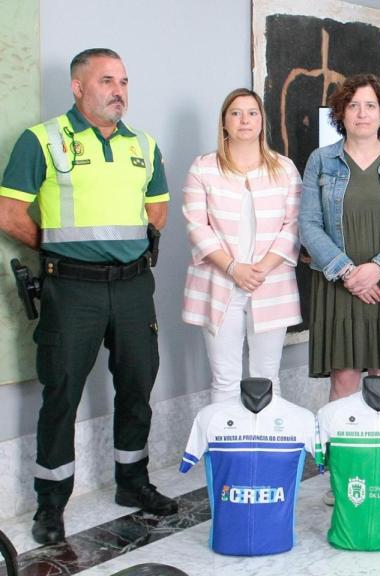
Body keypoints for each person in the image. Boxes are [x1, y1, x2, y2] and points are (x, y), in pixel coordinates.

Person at [0, 48, 178, 545]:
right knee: (61, 394)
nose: (118, 90)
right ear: (78, 87)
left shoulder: (143, 144)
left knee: (138, 385)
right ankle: (51, 504)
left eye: (123, 80)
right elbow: (10, 212)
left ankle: (133, 483)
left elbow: (157, 211)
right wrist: (62, 246)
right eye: (106, 81)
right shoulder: (43, 140)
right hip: (70, 287)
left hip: (132, 287)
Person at [299, 74, 380, 400]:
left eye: (371, 105)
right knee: (344, 378)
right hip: (338, 283)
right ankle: (340, 452)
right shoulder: (321, 161)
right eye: (354, 106)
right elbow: (309, 224)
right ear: (341, 113)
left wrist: (377, 269)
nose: (362, 113)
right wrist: (349, 273)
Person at [181, 88, 302, 404]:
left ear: (262, 121)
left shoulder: (284, 168)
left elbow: (293, 225)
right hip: (220, 282)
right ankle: (224, 453)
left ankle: (267, 452)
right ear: (224, 123)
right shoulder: (204, 168)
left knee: (267, 377)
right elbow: (197, 226)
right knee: (225, 380)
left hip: (270, 282)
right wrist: (234, 268)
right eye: (235, 113)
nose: (244, 120)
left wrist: (261, 268)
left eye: (252, 113)